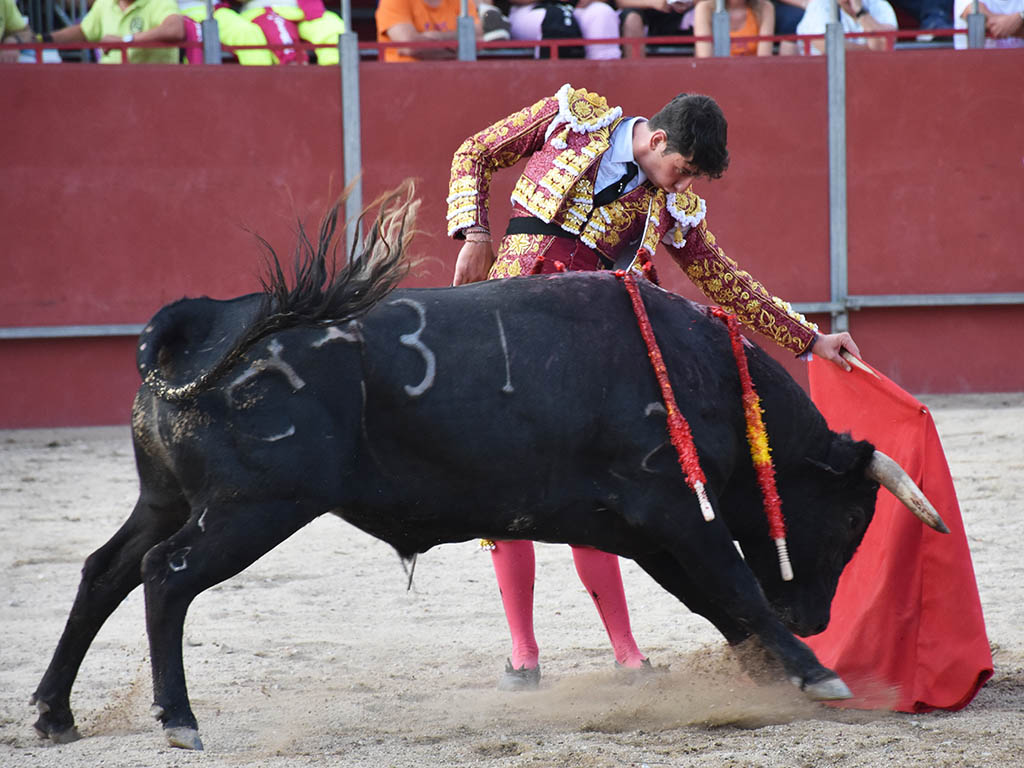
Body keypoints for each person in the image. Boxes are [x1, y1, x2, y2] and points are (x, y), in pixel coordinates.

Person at [447, 84, 861, 690]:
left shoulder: (668, 206)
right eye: (684, 170)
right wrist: (474, 233)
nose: (683, 186)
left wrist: (809, 339)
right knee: (503, 496)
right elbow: (474, 152)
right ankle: (524, 654)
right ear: (659, 139)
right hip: (506, 331)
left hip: (585, 359)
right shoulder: (571, 120)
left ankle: (628, 653)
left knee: (589, 498)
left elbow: (722, 278)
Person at [46, 0, 184, 64]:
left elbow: (175, 29)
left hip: (151, 85)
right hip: (110, 85)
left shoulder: (159, 2)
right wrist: (44, 39)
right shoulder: (105, 3)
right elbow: (84, 31)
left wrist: (125, 41)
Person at [237, 0, 345, 64]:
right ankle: (295, 71)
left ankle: (335, 71)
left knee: (331, 24)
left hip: (307, 8)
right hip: (264, 9)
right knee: (279, 32)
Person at [506, 0, 622, 59]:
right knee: (557, 21)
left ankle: (602, 90)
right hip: (531, 9)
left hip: (578, 7)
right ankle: (555, 93)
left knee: (603, 13)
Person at [375, 0, 481, 62]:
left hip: (452, 80)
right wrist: (459, 48)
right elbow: (411, 46)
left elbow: (479, 36)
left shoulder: (462, 2)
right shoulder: (393, 1)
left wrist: (436, 37)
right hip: (402, 83)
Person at [177, 0, 274, 65]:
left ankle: (262, 87)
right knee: (196, 43)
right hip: (177, 12)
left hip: (216, 9)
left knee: (247, 31)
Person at [795, 0, 897, 53]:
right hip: (821, 79)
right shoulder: (820, 4)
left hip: (869, 76)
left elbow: (884, 44)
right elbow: (826, 45)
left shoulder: (879, 5)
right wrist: (870, 52)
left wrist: (860, 12)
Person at [693, 0, 775, 55]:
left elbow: (764, 60)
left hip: (753, 75)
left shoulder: (765, 8)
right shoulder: (705, 8)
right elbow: (705, 59)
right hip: (716, 75)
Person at [618, 0, 696, 57]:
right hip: (644, 14)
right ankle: (636, 73)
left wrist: (689, 3)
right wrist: (653, 2)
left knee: (701, 12)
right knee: (632, 19)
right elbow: (620, 2)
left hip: (681, 15)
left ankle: (701, 68)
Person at [953, 0, 1024, 47]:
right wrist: (1019, 19)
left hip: (1018, 66)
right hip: (977, 65)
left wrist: (1020, 17)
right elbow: (985, 21)